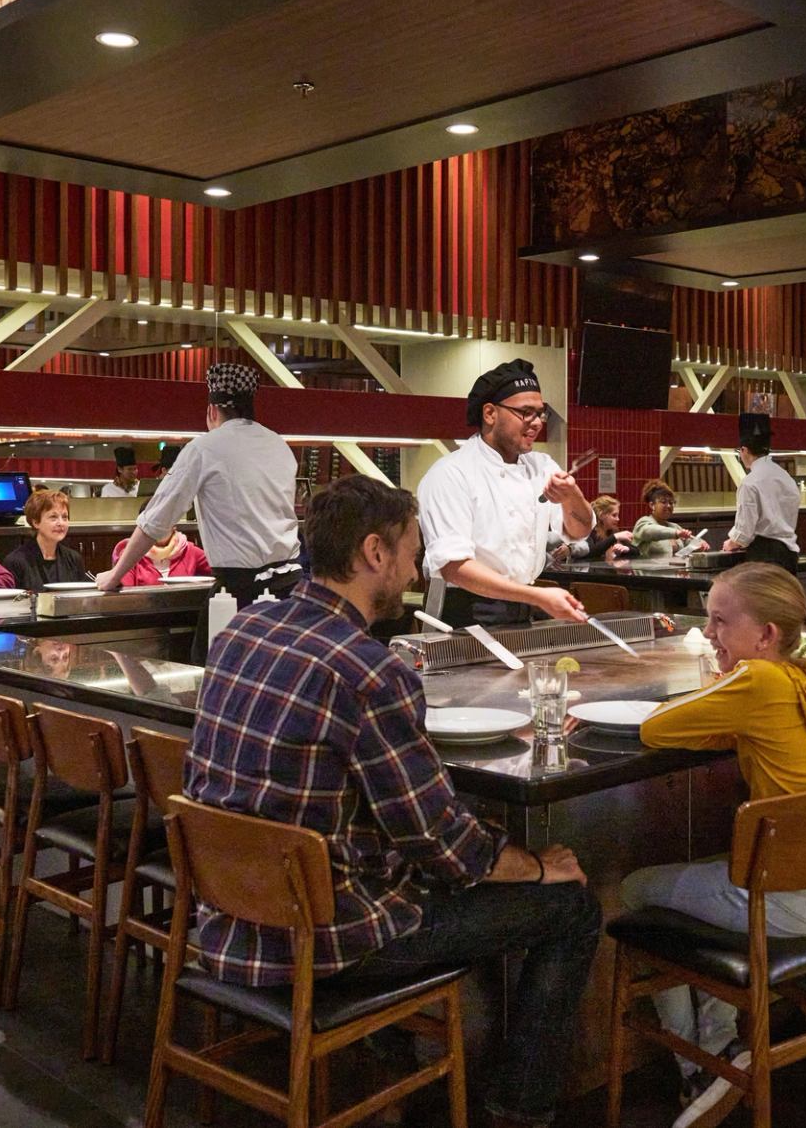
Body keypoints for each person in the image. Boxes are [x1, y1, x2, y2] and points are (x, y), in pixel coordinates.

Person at [187, 475, 600, 1128]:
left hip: (230, 919)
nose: (414, 568)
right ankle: (520, 1107)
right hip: (329, 940)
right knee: (571, 907)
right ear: (375, 552)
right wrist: (538, 866)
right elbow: (443, 845)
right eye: (411, 551)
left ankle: (390, 1050)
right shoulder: (369, 671)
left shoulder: (245, 629)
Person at [627, 564, 806, 1127]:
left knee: (639, 888)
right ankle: (718, 1048)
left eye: (720, 621)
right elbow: (730, 728)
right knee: (711, 875)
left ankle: (698, 1065)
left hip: (786, 901)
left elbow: (656, 727)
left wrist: (718, 685)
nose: (709, 632)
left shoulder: (756, 680)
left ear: (766, 636)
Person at [97, 363, 302, 661]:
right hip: (289, 590)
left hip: (238, 597)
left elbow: (156, 521)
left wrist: (116, 574)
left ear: (212, 410)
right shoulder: (279, 444)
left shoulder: (204, 447)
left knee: (213, 685)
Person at [417, 359, 594, 627]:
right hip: (464, 610)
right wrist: (538, 596)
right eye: (526, 412)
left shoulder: (542, 466)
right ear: (490, 414)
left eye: (540, 413)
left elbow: (579, 531)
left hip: (523, 603)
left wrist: (572, 496)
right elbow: (455, 568)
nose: (536, 423)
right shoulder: (451, 473)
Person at [721, 413, 801, 572]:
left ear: (743, 450)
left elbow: (744, 532)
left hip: (763, 557)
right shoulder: (786, 478)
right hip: (789, 555)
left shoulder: (750, 482)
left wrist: (731, 543)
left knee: (762, 598)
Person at [1, 488, 86, 590]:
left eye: (64, 517)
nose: (61, 523)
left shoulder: (74, 559)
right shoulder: (15, 562)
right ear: (36, 522)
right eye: (53, 517)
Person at [109, 528, 210, 586]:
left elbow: (220, 569)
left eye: (162, 524)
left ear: (174, 525)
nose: (157, 529)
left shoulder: (190, 550)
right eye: (152, 526)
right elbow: (125, 592)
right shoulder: (131, 552)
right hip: (144, 615)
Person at [555, 494, 632, 563]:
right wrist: (614, 537)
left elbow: (636, 550)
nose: (618, 519)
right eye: (614, 515)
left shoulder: (612, 531)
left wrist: (626, 549)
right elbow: (591, 551)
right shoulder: (590, 531)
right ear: (602, 515)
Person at [631, 479, 692, 558]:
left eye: (671, 502)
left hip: (674, 569)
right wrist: (676, 533)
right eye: (663, 502)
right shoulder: (643, 522)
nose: (669, 506)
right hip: (648, 570)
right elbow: (651, 531)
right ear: (652, 505)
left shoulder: (675, 526)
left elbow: (690, 541)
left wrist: (699, 544)